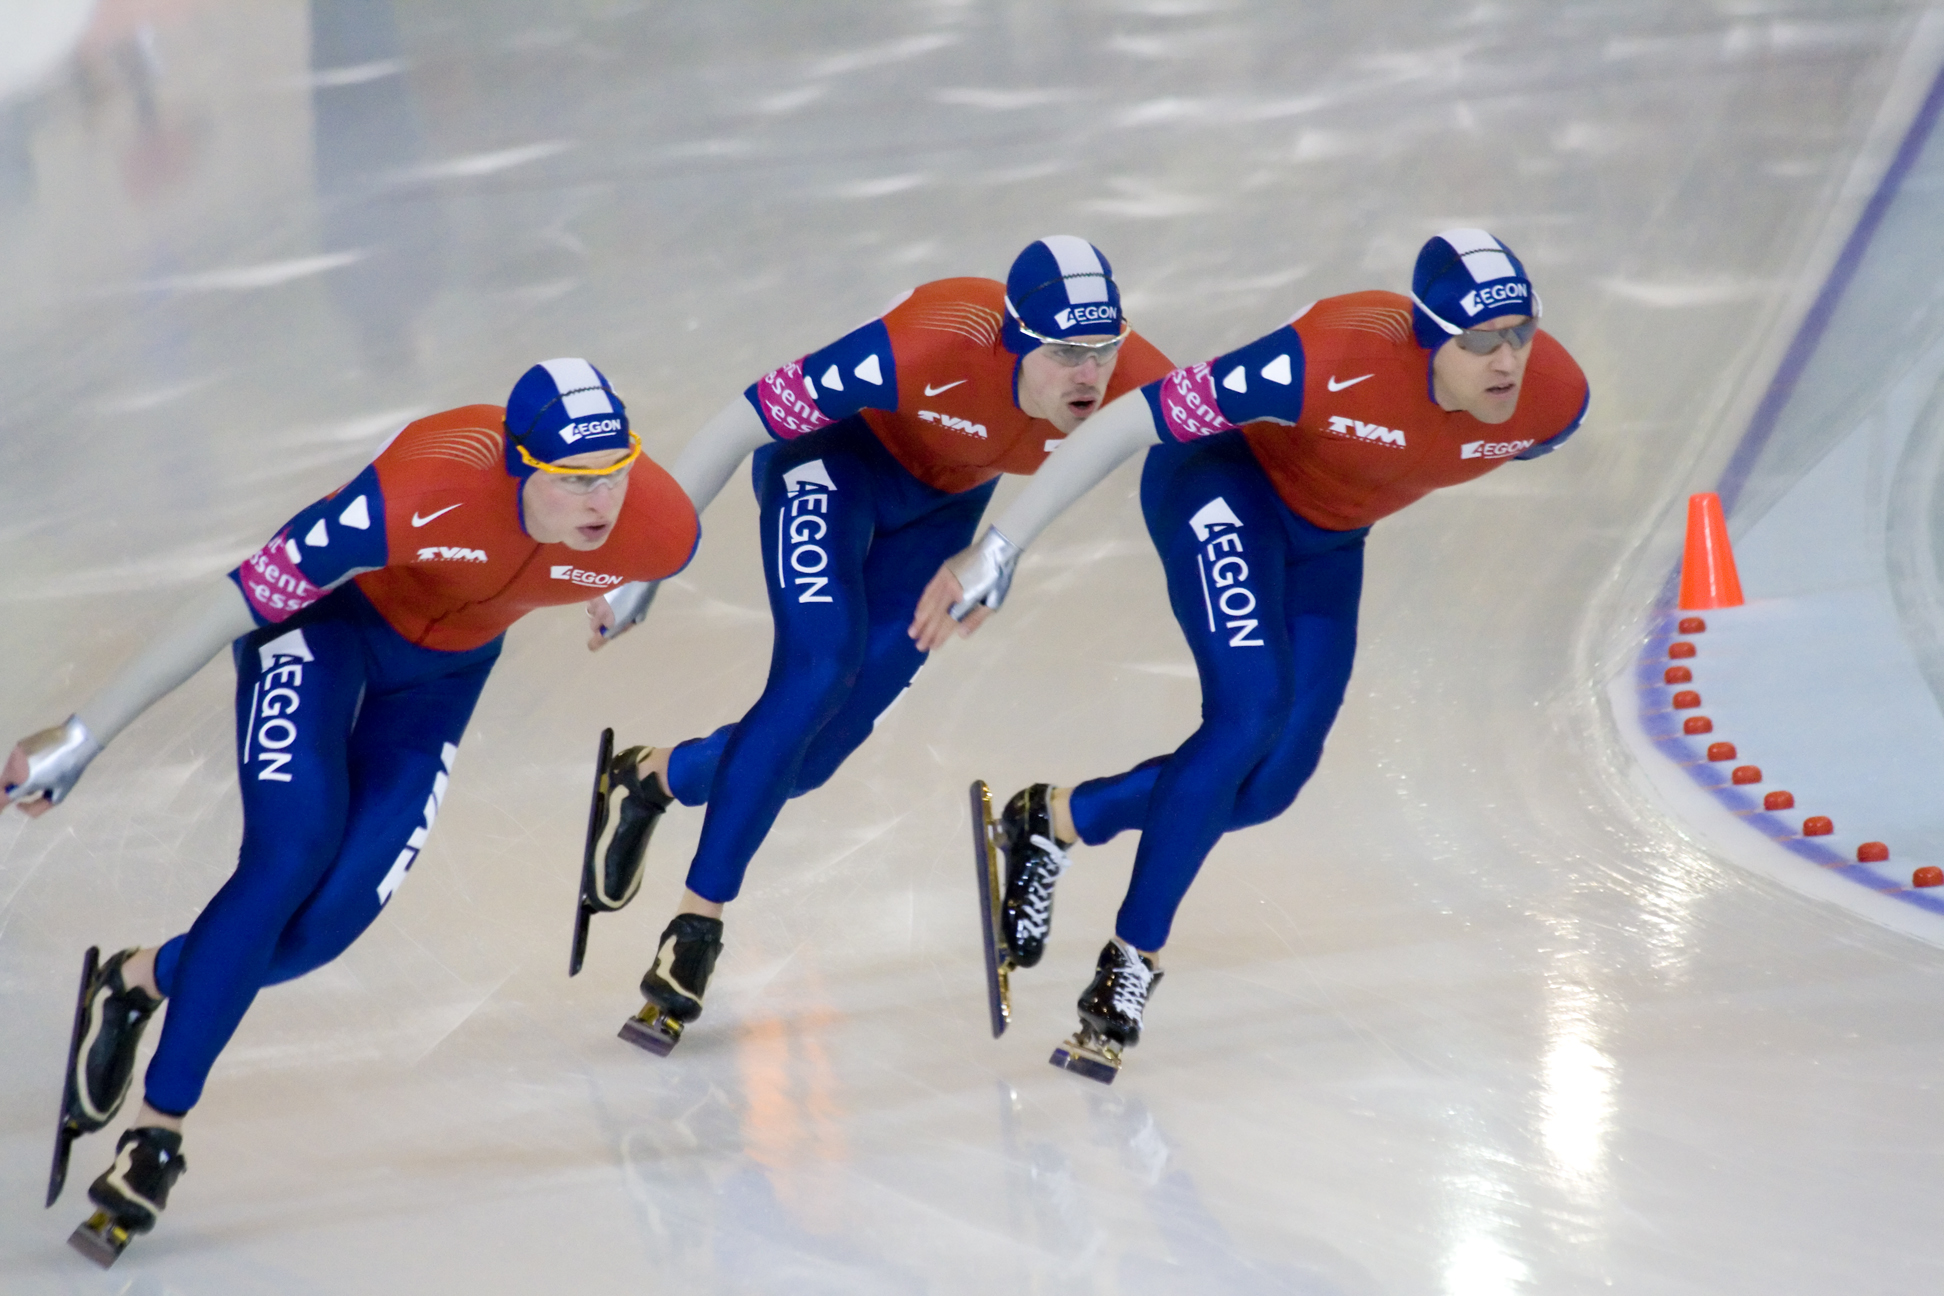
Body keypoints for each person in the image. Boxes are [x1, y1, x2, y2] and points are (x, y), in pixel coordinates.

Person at [3, 359, 697, 1261]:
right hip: (325, 631)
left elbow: (626, 550)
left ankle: (137, 983)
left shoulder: (656, 525)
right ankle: (156, 1135)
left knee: (325, 928)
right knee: (289, 859)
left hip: (442, 677)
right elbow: (236, 599)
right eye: (573, 479)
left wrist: (620, 583)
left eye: (614, 470)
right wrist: (83, 736)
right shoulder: (421, 489)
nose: (601, 497)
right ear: (520, 467)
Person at [910, 229, 1590, 1060]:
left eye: (1519, 333)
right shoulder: (1325, 358)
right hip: (1223, 485)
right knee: (1249, 713)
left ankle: (1053, 820)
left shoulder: (1554, 400)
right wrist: (1002, 546)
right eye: (1479, 339)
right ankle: (1130, 963)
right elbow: (1129, 421)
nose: (1506, 360)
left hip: (1332, 541)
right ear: (1425, 337)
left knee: (1270, 786)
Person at [586, 238, 1174, 1048]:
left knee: (815, 758)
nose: (1090, 374)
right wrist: (647, 564)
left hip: (940, 518)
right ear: (1014, 340)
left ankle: (652, 777)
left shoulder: (1130, 377)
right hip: (830, 468)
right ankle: (695, 929)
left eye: (1104, 349)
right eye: (1067, 352)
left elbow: (1229, 453)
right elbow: (738, 420)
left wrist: (1001, 550)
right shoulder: (930, 342)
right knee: (817, 670)